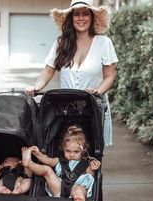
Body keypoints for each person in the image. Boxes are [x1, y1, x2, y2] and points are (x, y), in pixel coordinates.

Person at [25, 0, 118, 146]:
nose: (81, 18)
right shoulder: (61, 43)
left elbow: (110, 76)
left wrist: (96, 92)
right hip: (65, 109)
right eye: (76, 14)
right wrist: (36, 87)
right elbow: (48, 71)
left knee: (91, 152)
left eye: (85, 14)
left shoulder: (104, 43)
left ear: (92, 17)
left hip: (93, 108)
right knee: (65, 150)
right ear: (71, 18)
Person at [22, 126, 101, 201]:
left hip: (76, 187)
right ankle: (29, 164)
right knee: (47, 170)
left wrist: (93, 169)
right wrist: (38, 154)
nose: (71, 155)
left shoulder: (85, 164)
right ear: (63, 148)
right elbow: (47, 160)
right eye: (68, 151)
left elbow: (89, 176)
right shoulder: (59, 160)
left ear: (84, 150)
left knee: (79, 190)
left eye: (76, 152)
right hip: (59, 187)